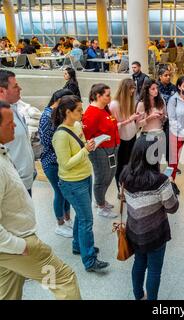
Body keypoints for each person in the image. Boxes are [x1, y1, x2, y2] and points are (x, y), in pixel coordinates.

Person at [0, 100, 81, 299]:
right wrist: (20, 246)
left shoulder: (3, 153)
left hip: (10, 246)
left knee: (7, 292)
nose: (15, 127)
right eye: (10, 123)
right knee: (63, 279)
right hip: (16, 244)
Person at [52, 95, 109, 272]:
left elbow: (82, 146)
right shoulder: (60, 135)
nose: (82, 113)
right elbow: (66, 163)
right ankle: (90, 260)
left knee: (82, 216)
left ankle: (79, 246)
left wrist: (88, 145)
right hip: (72, 183)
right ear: (67, 112)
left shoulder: (77, 126)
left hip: (85, 176)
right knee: (86, 219)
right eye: (78, 110)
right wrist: (85, 150)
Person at [120, 135, 179, 300]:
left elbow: (123, 197)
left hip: (134, 230)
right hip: (155, 234)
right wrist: (171, 184)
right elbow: (172, 207)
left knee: (139, 263)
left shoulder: (125, 173)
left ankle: (138, 295)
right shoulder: (161, 181)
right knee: (154, 270)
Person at [38, 89, 74, 238]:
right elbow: (48, 142)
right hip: (52, 162)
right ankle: (59, 224)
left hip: (62, 160)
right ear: (59, 101)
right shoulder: (47, 117)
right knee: (59, 192)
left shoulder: (57, 114)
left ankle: (67, 218)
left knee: (66, 192)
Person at [82, 84, 120, 218]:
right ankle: (100, 206)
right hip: (101, 151)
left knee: (109, 175)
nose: (110, 97)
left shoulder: (105, 109)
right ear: (98, 96)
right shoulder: (92, 113)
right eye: (107, 95)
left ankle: (101, 199)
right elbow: (87, 136)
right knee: (101, 178)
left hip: (111, 148)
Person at [0, 70, 35, 195]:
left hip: (25, 180)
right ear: (1, 91)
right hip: (13, 185)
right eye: (15, 86)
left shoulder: (14, 109)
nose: (20, 88)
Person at [109, 78, 141, 193]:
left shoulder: (129, 102)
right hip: (121, 139)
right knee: (121, 165)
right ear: (124, 89)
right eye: (130, 89)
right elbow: (114, 126)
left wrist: (137, 118)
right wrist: (129, 120)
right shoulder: (114, 105)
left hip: (132, 136)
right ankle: (120, 189)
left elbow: (130, 120)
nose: (132, 92)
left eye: (133, 89)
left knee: (130, 163)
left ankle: (128, 185)